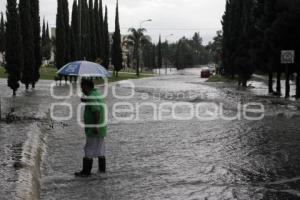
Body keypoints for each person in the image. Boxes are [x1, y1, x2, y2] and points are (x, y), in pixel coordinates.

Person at [75, 78, 107, 177]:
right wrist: (86, 99)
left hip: (94, 128)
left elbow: (96, 111)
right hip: (102, 128)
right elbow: (95, 103)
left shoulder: (92, 96)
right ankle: (102, 171)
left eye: (82, 87)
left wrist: (95, 126)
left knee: (89, 148)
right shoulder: (96, 93)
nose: (81, 89)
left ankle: (86, 172)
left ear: (86, 86)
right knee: (100, 149)